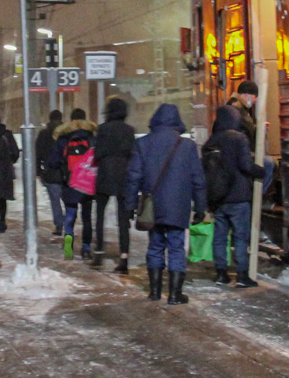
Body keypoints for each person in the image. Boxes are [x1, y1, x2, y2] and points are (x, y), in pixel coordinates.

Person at [124, 102, 206, 304]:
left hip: (154, 206)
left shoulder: (142, 144)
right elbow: (198, 179)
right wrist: (201, 207)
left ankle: (154, 291)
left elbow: (133, 177)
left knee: (155, 245)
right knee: (177, 247)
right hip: (178, 206)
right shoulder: (186, 146)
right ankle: (175, 294)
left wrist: (130, 206)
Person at [205, 102, 267, 287]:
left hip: (218, 197)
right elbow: (246, 166)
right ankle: (241, 275)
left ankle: (221, 273)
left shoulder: (211, 141)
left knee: (220, 237)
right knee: (240, 237)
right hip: (238, 197)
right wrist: (262, 171)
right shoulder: (238, 138)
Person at [91, 97, 136, 272]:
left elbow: (98, 153)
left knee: (100, 215)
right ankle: (124, 257)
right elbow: (132, 154)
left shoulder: (103, 129)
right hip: (123, 176)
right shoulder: (129, 130)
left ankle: (99, 253)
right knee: (123, 218)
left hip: (104, 175)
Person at [46, 108, 96, 260]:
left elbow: (52, 161)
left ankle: (69, 240)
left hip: (70, 182)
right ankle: (86, 247)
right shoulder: (91, 137)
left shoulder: (64, 138)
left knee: (70, 215)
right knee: (86, 217)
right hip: (87, 183)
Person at [33, 108, 67, 237]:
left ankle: (59, 226)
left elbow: (38, 153)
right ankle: (69, 224)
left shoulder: (44, 134)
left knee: (55, 201)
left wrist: (38, 171)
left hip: (50, 172)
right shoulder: (66, 133)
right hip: (65, 172)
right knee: (68, 200)